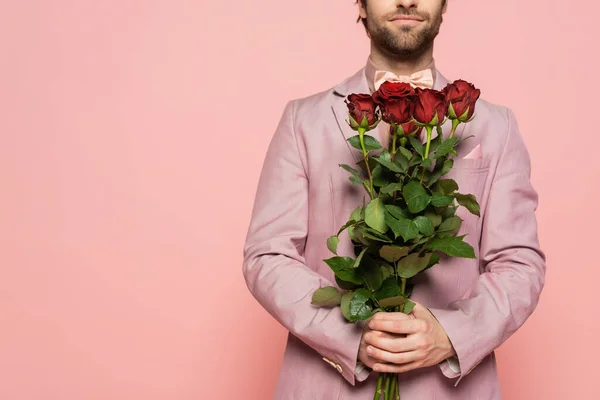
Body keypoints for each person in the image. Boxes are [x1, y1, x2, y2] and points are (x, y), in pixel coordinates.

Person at [241, 0, 546, 398]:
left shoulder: (496, 126)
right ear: (361, 5)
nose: (406, 0)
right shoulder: (303, 121)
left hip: (450, 387)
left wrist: (451, 334)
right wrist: (350, 332)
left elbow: (520, 263)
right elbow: (267, 254)